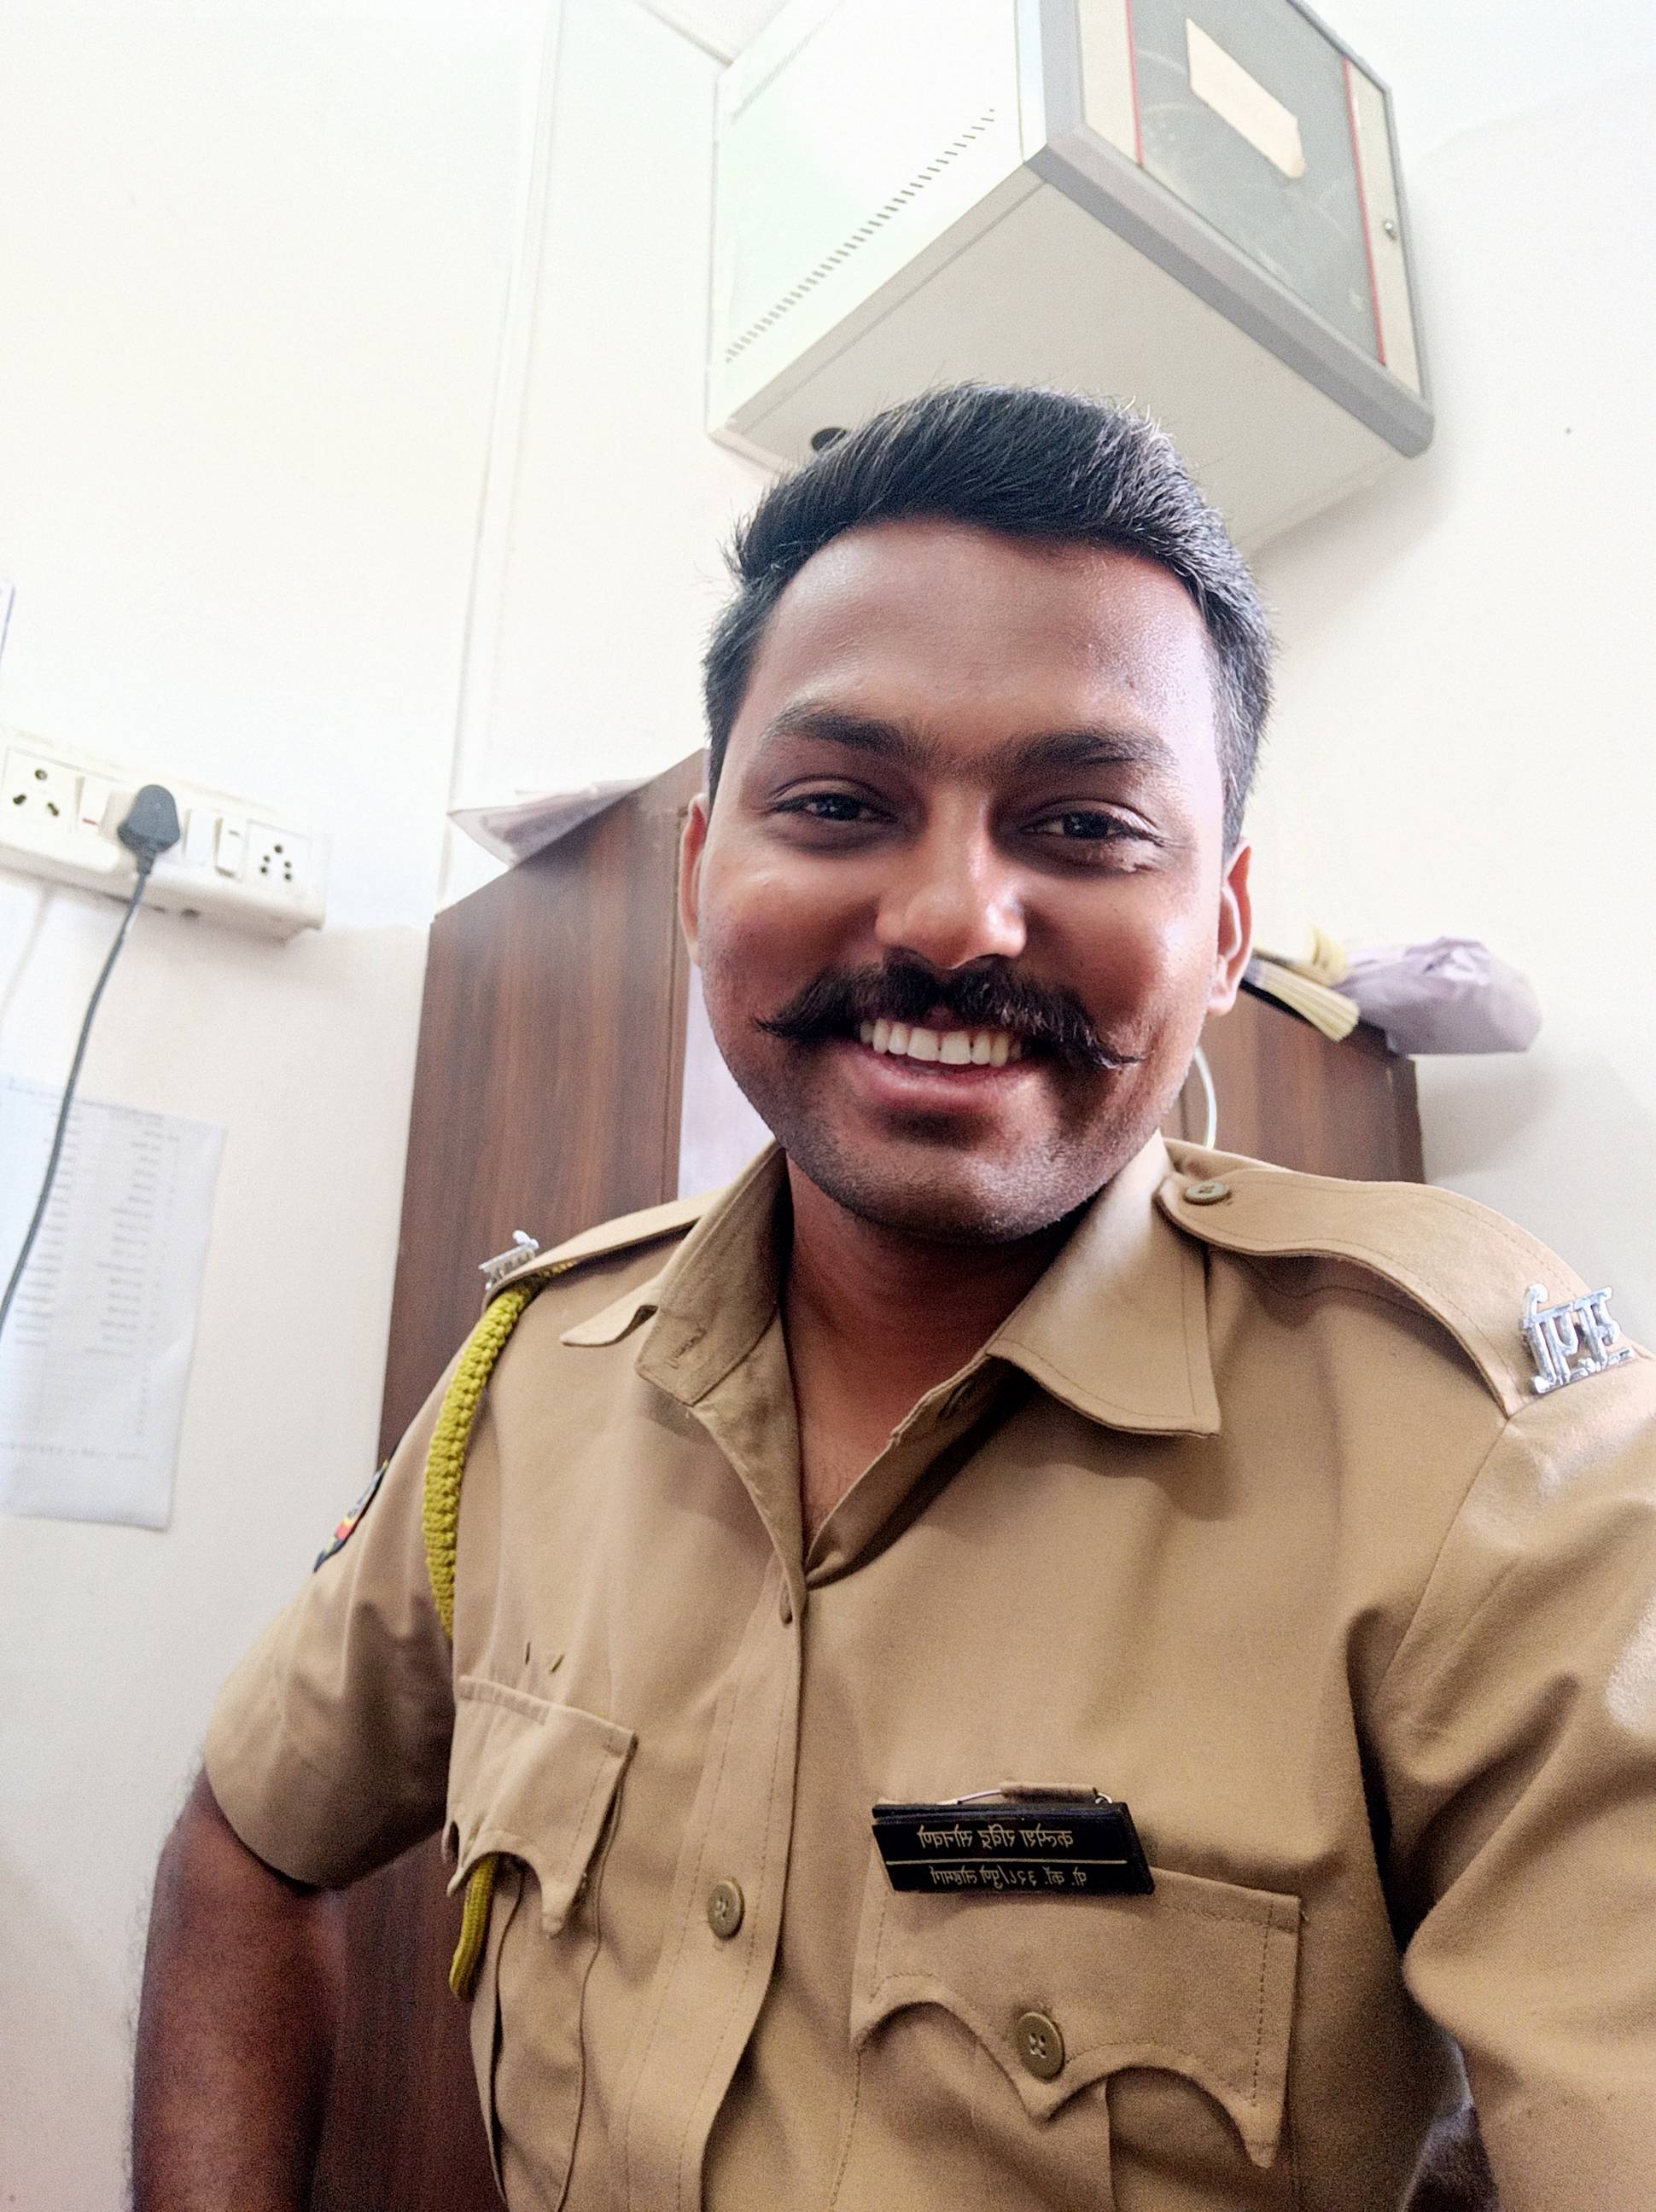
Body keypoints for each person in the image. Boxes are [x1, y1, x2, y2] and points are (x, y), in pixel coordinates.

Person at [132, 385, 1655, 2211]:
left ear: (1226, 932)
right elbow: (246, 1840)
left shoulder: (1482, 1458)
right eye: (840, 804)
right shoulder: (527, 1387)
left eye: (1082, 826)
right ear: (703, 871)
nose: (950, 920)